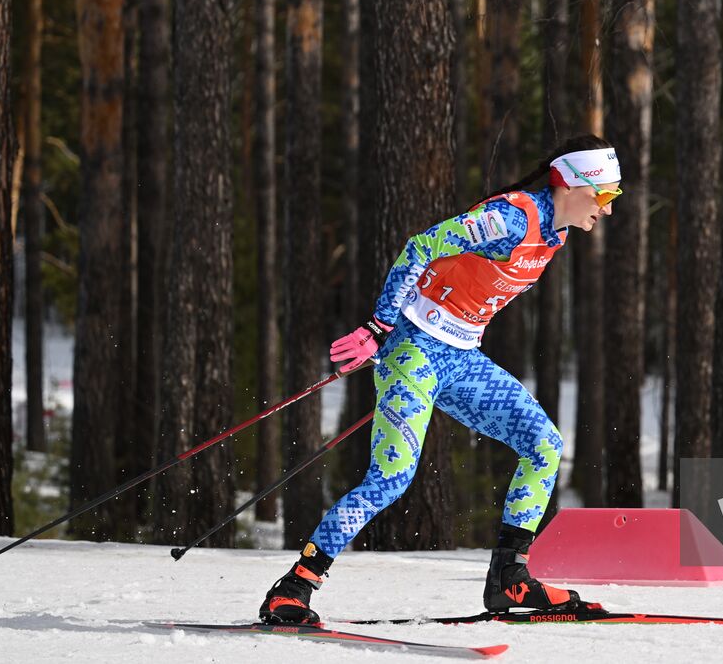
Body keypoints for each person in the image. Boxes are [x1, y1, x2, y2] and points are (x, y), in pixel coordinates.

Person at [259, 135, 622, 625]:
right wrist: (379, 326)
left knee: (544, 444)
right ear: (576, 183)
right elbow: (423, 246)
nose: (608, 209)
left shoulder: (553, 234)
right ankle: (294, 588)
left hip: (462, 358)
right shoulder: (514, 217)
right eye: (606, 195)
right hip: (413, 349)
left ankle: (510, 578)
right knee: (391, 478)